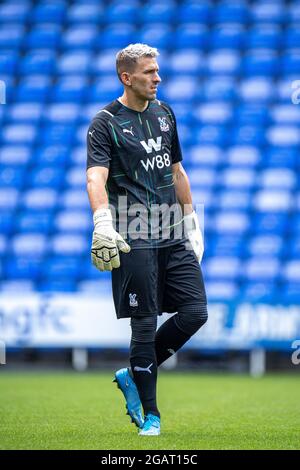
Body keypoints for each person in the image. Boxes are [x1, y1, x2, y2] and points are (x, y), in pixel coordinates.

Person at [86, 44, 208, 436]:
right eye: (149, 72)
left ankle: (134, 372)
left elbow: (176, 170)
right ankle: (151, 416)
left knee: (195, 313)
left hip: (172, 230)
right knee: (144, 324)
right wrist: (102, 220)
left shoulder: (165, 113)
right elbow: (95, 177)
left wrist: (192, 220)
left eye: (157, 71)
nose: (158, 78)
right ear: (127, 77)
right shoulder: (104, 123)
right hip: (134, 232)